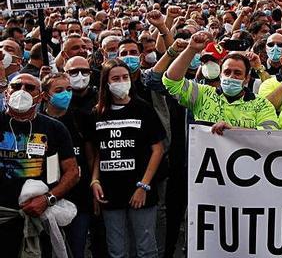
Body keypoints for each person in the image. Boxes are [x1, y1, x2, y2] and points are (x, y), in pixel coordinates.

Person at [86, 59, 165, 258]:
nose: (121, 81)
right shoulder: (97, 113)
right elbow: (98, 152)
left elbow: (158, 149)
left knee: (146, 249)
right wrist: (95, 180)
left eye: (125, 77)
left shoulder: (143, 109)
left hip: (140, 189)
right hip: (110, 191)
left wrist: (144, 186)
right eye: (115, 78)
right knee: (116, 250)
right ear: (106, 82)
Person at [0, 73, 79, 257]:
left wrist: (48, 199)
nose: (22, 91)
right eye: (17, 86)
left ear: (41, 96)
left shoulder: (55, 128)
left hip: (38, 218)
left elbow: (72, 172)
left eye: (29, 88)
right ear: (6, 93)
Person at [162, 31, 279, 129]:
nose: (231, 76)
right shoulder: (202, 94)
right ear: (221, 74)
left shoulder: (262, 104)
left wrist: (234, 131)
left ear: (246, 78)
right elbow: (172, 81)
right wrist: (191, 49)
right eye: (227, 72)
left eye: (237, 73)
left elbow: (270, 134)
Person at [40, 72, 91, 258]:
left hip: (79, 197)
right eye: (59, 90)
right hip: (45, 200)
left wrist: (93, 184)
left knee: (76, 249)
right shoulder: (37, 122)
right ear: (45, 95)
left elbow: (91, 156)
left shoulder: (81, 119)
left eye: (69, 89)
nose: (66, 94)